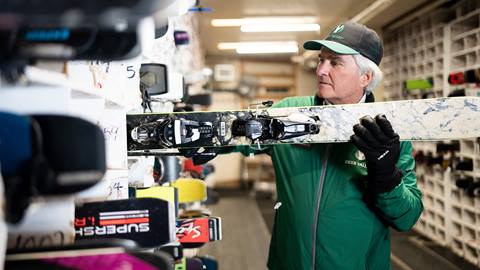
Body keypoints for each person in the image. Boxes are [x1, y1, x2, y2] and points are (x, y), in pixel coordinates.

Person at [187, 21, 423, 269]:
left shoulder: (388, 134)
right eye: (321, 60)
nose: (321, 69)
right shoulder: (290, 113)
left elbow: (407, 217)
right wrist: (208, 138)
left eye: (335, 62)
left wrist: (386, 175)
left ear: (365, 76)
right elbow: (243, 132)